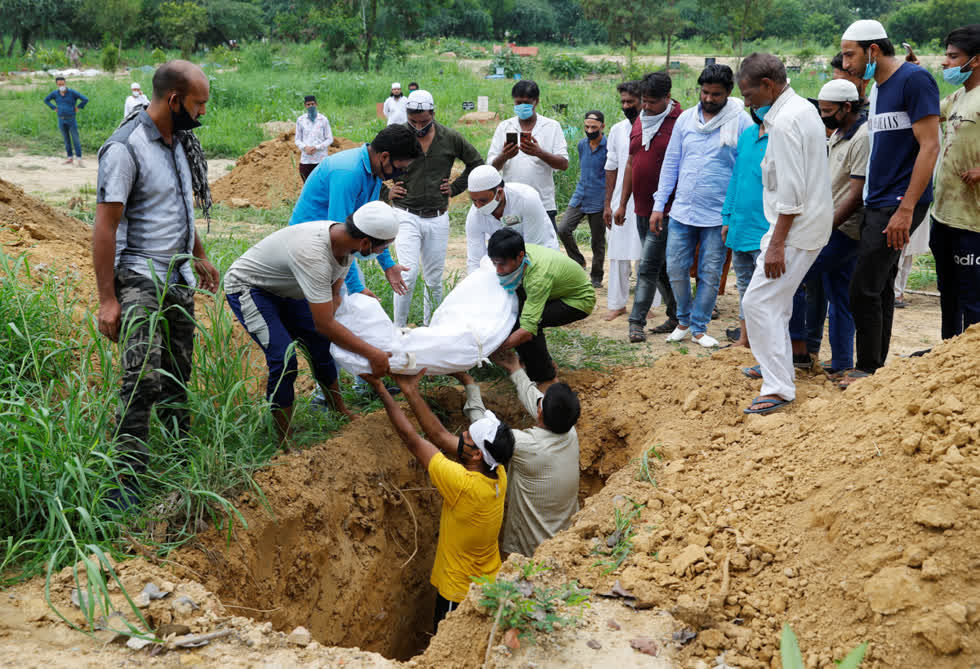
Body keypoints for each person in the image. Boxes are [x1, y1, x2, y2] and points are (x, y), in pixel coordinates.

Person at [93, 61, 219, 503]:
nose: (203, 112)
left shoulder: (180, 142)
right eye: (198, 103)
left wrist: (199, 257)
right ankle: (124, 485)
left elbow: (178, 208)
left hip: (177, 276)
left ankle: (177, 458)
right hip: (138, 276)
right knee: (141, 379)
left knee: (177, 374)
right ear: (173, 100)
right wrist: (108, 299)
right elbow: (105, 227)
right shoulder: (125, 148)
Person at [225, 201, 401, 441]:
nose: (383, 252)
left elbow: (333, 292)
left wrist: (345, 322)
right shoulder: (314, 253)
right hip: (251, 288)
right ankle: (283, 442)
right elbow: (325, 324)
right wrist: (372, 354)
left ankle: (339, 410)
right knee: (284, 359)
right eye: (383, 247)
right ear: (366, 243)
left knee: (320, 345)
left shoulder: (345, 243)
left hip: (289, 288)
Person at [360, 369, 513, 633]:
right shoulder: (498, 471)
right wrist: (410, 391)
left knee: (447, 646)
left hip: (458, 592)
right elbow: (440, 436)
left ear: (476, 454)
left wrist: (381, 389)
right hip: (489, 582)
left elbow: (412, 439)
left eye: (467, 435)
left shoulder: (462, 484)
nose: (462, 434)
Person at [840, 20, 940, 382]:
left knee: (862, 287)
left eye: (851, 54)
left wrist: (906, 208)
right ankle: (875, 369)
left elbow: (930, 146)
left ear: (874, 51)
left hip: (897, 202)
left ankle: (865, 368)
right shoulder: (880, 86)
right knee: (878, 286)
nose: (846, 62)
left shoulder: (914, 81)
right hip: (877, 198)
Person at [738, 53, 833, 414]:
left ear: (768, 86)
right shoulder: (799, 109)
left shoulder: (785, 122)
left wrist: (777, 244)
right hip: (799, 226)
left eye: (748, 94)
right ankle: (773, 364)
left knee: (758, 303)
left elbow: (791, 195)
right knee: (773, 303)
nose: (747, 102)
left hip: (795, 230)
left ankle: (779, 388)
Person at [652, 64, 752, 348]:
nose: (708, 99)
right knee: (675, 267)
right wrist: (660, 205)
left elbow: (744, 171)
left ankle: (699, 327)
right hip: (683, 210)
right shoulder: (685, 120)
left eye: (716, 94)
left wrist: (732, 215)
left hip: (718, 215)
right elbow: (671, 163)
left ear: (728, 93)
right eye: (705, 92)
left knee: (710, 272)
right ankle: (683, 320)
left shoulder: (741, 122)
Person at [464, 348, 580, 558]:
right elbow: (533, 399)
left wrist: (470, 385)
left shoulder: (528, 446)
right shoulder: (570, 431)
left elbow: (484, 429)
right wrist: (515, 369)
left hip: (528, 553)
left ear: (540, 413)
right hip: (567, 546)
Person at [289, 124, 421, 298]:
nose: (399, 174)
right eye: (399, 168)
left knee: (349, 304)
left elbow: (375, 226)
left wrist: (388, 265)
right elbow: (339, 236)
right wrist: (356, 288)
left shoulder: (373, 173)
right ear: (384, 156)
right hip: (308, 247)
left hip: (330, 244)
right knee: (333, 307)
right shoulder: (348, 173)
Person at [390, 89, 484, 327]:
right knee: (408, 275)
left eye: (424, 121)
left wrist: (455, 188)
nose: (418, 126)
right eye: (413, 121)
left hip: (437, 216)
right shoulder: (398, 135)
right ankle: (398, 328)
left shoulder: (449, 138)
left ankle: (431, 327)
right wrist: (386, 191)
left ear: (433, 113)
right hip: (405, 213)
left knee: (434, 279)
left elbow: (476, 163)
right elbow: (373, 162)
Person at [616, 72, 683, 342]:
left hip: (666, 209)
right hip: (641, 207)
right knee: (661, 267)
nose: (645, 107)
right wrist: (622, 203)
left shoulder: (681, 122)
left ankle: (636, 322)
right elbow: (632, 162)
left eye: (652, 102)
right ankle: (677, 315)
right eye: (643, 101)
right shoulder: (641, 121)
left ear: (667, 98)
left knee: (647, 265)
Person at [489, 229, 595, 391]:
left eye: (502, 264)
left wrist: (495, 348)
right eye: (494, 263)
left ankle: (546, 378)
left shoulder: (537, 278)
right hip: (556, 289)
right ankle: (535, 362)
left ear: (519, 256)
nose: (498, 270)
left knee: (526, 327)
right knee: (518, 315)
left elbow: (526, 331)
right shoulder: (519, 253)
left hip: (578, 300)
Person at [930, 24, 980, 339]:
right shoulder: (959, 96)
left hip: (972, 221)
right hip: (944, 214)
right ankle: (946, 354)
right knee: (948, 294)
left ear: (975, 60)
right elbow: (927, 116)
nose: (946, 63)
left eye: (953, 56)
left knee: (973, 298)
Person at [487, 80, 569, 228]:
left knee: (543, 247)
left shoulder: (551, 127)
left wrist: (539, 153)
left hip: (543, 204)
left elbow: (563, 164)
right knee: (512, 246)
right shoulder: (504, 127)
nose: (521, 106)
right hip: (511, 205)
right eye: (518, 103)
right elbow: (491, 168)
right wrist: (505, 156)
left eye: (526, 103)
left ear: (536, 102)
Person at [721, 110, 770, 349]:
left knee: (766, 289)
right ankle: (745, 338)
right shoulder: (748, 134)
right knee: (743, 284)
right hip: (740, 226)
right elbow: (736, 178)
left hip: (767, 229)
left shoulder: (781, 135)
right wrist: (727, 217)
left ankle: (765, 342)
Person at [465, 165, 559, 274]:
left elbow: (534, 248)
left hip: (540, 252)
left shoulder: (526, 199)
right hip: (507, 259)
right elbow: (475, 260)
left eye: (483, 201)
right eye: (474, 201)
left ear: (499, 193)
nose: (478, 206)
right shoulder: (474, 215)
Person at [602, 80, 643, 321]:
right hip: (620, 200)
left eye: (631, 102)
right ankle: (617, 303)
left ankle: (649, 303)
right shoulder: (618, 130)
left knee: (645, 252)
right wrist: (608, 203)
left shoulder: (654, 127)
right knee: (617, 251)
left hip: (647, 198)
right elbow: (611, 166)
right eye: (623, 102)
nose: (626, 106)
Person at [557, 111, 608, 288]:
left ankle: (596, 277)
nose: (589, 130)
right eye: (586, 127)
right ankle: (578, 262)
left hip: (599, 198)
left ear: (602, 126)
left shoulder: (609, 147)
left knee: (597, 241)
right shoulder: (581, 145)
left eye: (594, 127)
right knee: (563, 229)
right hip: (580, 194)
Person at [44, 76, 88, 166]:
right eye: (59, 84)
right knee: (66, 139)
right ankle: (70, 158)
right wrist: (54, 107)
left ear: (65, 83)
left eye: (63, 84)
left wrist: (78, 107)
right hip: (61, 119)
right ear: (57, 85)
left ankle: (79, 159)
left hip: (71, 119)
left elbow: (85, 99)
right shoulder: (55, 94)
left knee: (75, 139)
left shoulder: (72, 93)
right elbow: (46, 100)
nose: (61, 86)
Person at [294, 94, 334, 183]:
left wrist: (317, 147)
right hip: (306, 160)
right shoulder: (300, 120)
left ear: (316, 104)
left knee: (322, 184)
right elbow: (297, 139)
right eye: (308, 105)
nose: (311, 106)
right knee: (307, 185)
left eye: (312, 104)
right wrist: (305, 147)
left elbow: (329, 139)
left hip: (321, 159)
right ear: (305, 106)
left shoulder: (323, 120)